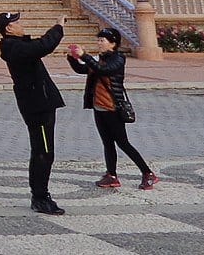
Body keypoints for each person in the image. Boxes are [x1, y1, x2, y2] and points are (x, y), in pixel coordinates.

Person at [67, 27, 157, 190]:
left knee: (123, 143)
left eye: (102, 41)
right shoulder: (100, 58)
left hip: (112, 107)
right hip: (99, 107)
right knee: (107, 143)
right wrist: (73, 58)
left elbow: (104, 71)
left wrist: (85, 56)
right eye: (98, 40)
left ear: (113, 44)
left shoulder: (118, 59)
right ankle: (111, 175)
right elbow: (83, 69)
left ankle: (147, 173)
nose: (99, 43)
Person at [0, 11, 67, 215]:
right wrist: (58, 27)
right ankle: (40, 196)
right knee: (43, 152)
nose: (21, 25)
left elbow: (36, 46)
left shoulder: (17, 45)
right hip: (37, 106)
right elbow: (43, 46)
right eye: (17, 23)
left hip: (40, 103)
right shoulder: (14, 47)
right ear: (9, 28)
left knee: (42, 151)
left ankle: (40, 194)